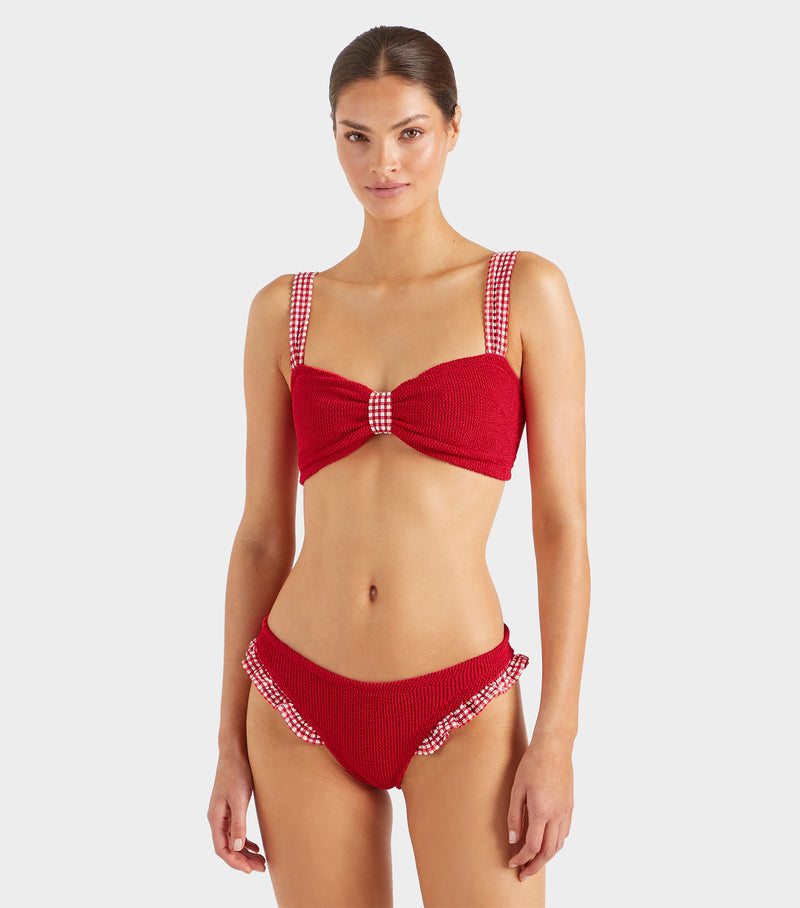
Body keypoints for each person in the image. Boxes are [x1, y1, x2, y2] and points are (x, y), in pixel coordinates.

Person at [207, 24, 590, 908]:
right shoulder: (286, 310)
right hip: (297, 695)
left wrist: (558, 738)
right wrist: (227, 740)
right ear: (333, 136)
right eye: (358, 135)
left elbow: (562, 525)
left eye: (410, 132)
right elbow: (261, 536)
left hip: (461, 702)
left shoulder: (521, 292)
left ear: (454, 128)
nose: (383, 162)